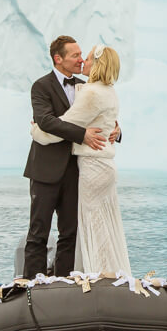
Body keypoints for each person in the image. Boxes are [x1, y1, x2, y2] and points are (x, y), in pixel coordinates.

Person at [30, 44, 131, 276]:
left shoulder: (90, 91)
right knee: (101, 225)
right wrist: (111, 130)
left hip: (89, 168)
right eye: (76, 56)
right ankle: (104, 273)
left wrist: (35, 132)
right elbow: (100, 118)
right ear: (58, 58)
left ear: (97, 64)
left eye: (84, 57)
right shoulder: (106, 90)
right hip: (91, 167)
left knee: (87, 227)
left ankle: (96, 275)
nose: (81, 61)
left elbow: (68, 122)